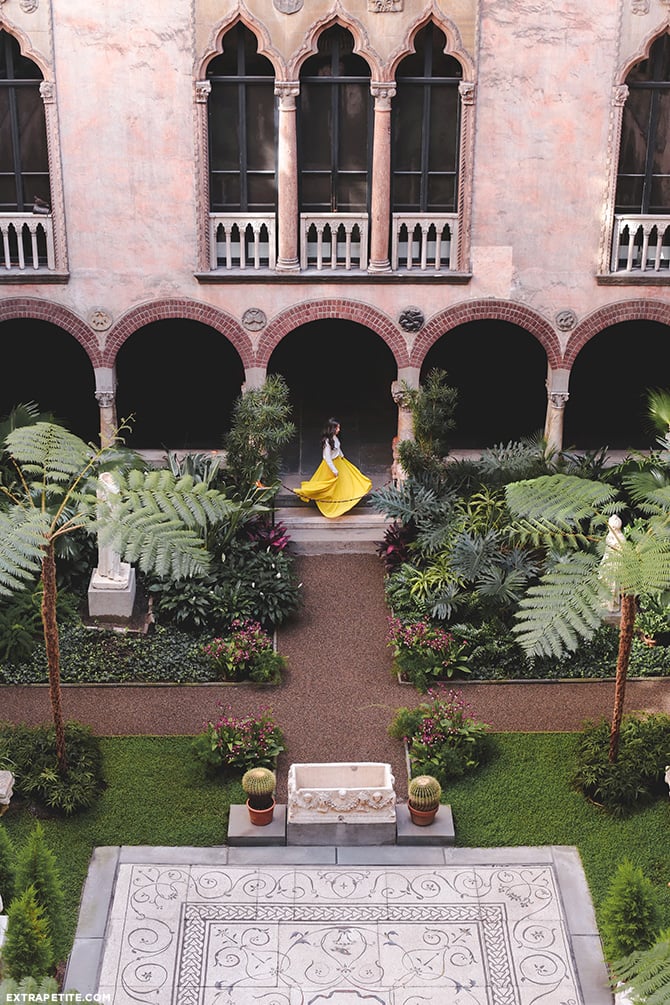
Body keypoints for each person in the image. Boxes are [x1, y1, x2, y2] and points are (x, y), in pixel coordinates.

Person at [294, 418, 372, 518]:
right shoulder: (327, 442)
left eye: (339, 427)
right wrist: (334, 469)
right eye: (337, 428)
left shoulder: (335, 437)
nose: (339, 429)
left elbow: (338, 448)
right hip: (331, 465)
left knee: (346, 481)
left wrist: (342, 456)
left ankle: (344, 500)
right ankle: (330, 503)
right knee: (329, 486)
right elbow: (327, 458)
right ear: (332, 428)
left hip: (339, 461)